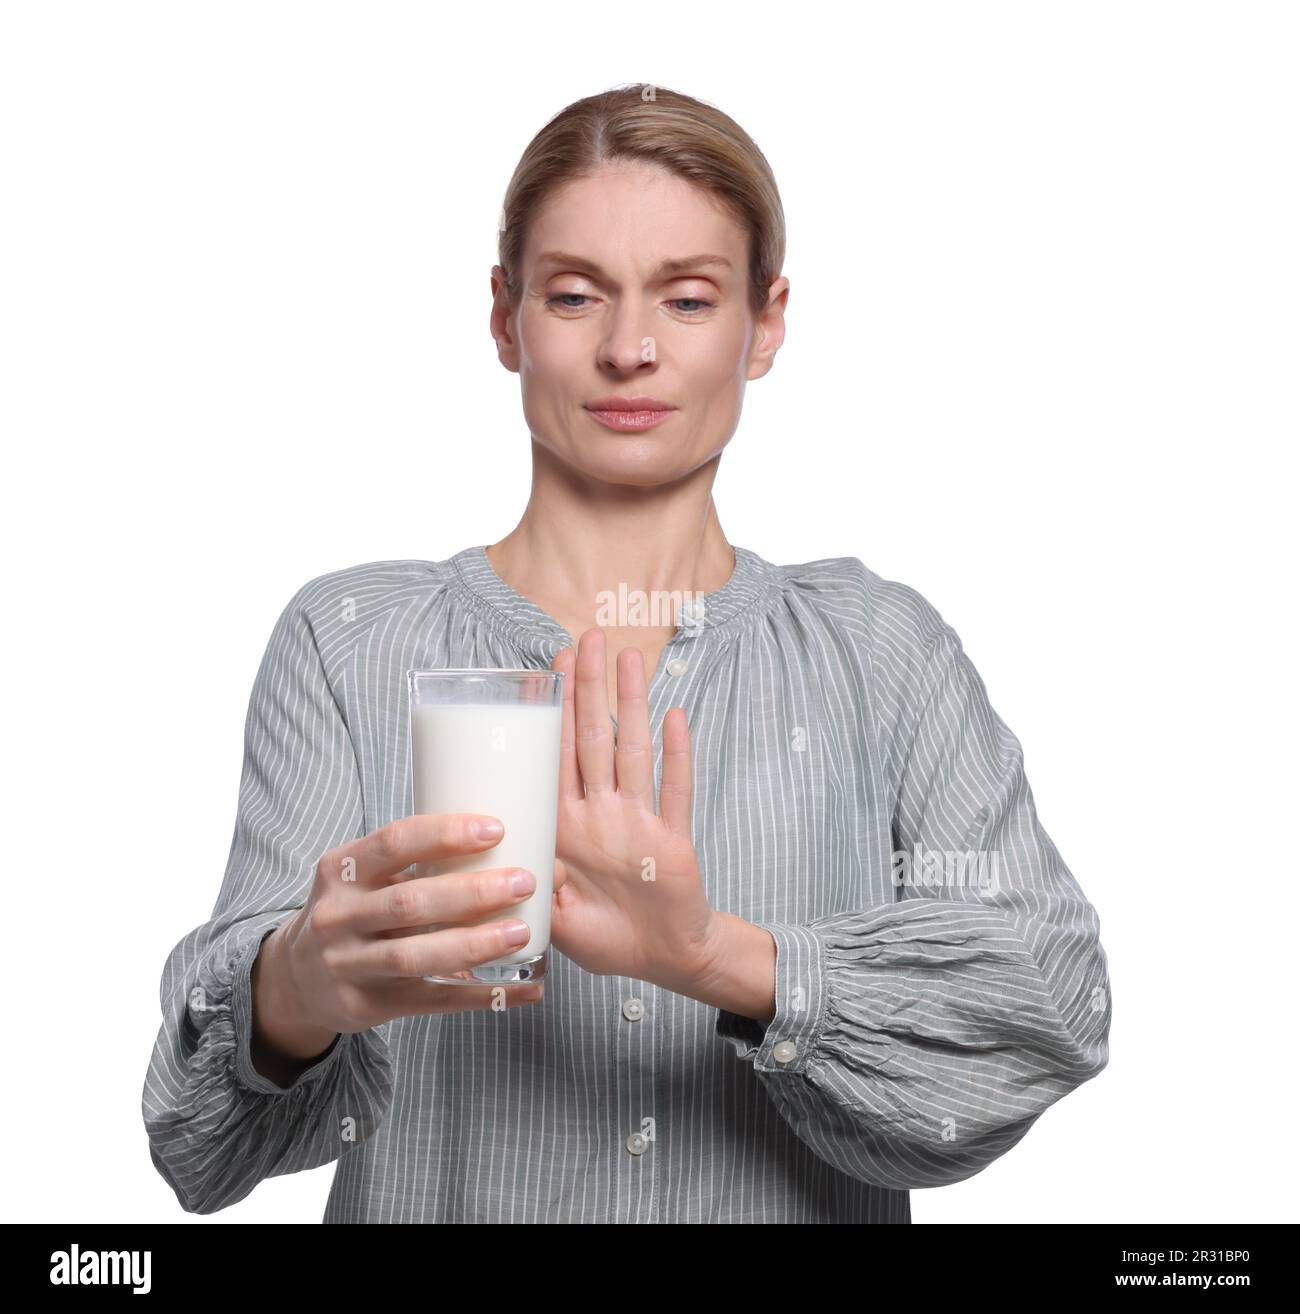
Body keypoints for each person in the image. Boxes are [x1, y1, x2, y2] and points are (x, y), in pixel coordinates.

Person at [142, 84, 1111, 1224]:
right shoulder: (349, 643)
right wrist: (292, 992)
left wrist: (718, 961)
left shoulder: (881, 652)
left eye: (688, 300)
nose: (628, 349)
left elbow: (1049, 1008)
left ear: (766, 324)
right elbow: (197, 1152)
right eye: (572, 295)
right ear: (504, 318)